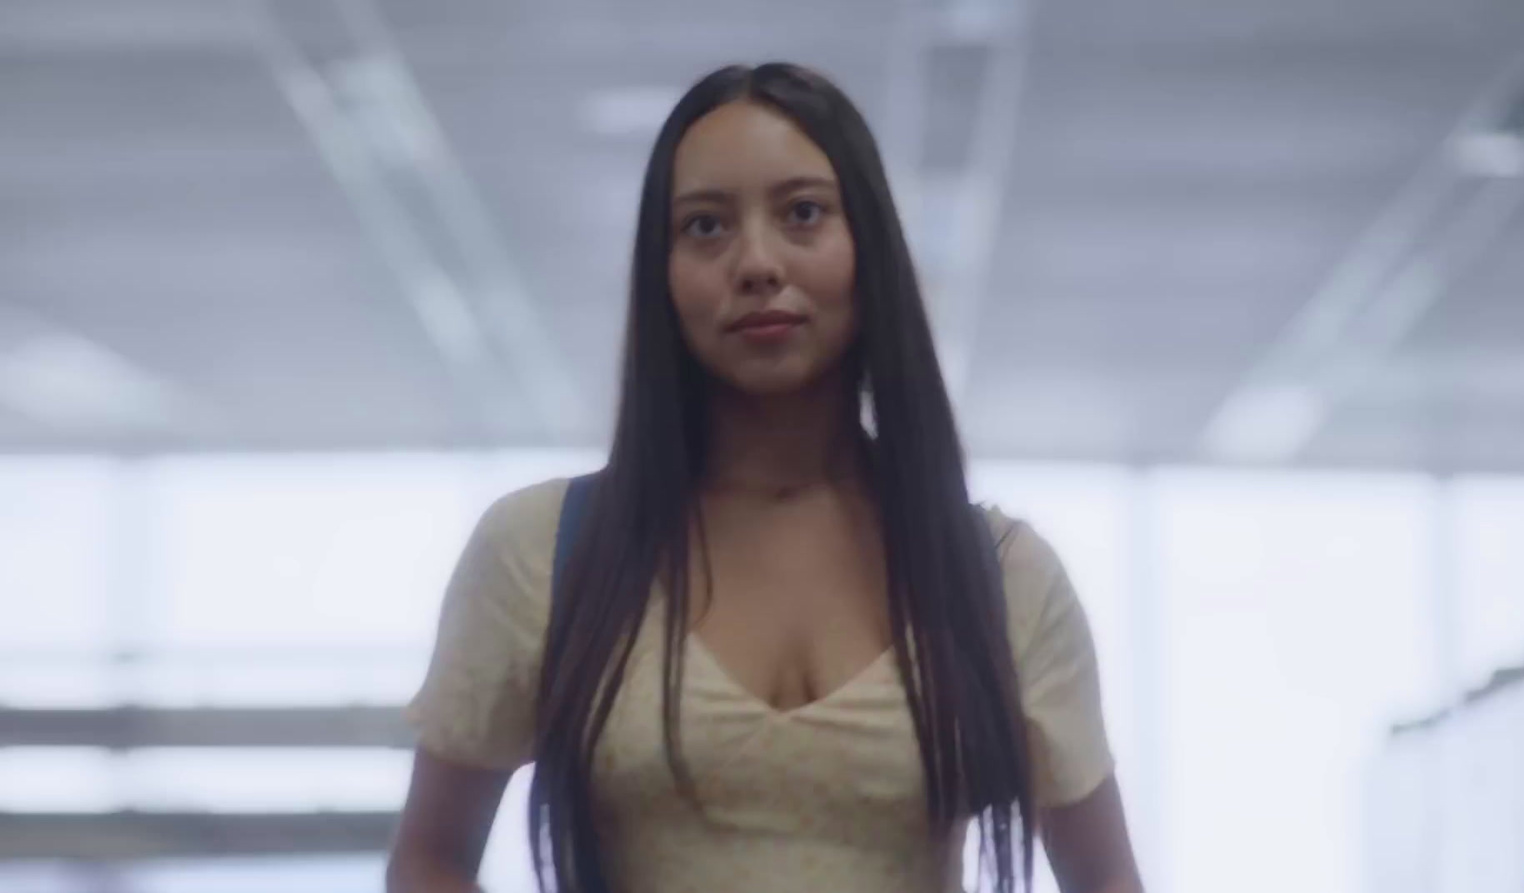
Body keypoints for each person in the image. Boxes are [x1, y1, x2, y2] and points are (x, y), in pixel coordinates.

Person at [387, 62, 1142, 893]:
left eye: (803, 214)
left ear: (868, 249)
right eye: (706, 226)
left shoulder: (1000, 575)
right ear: (663, 272)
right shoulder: (543, 551)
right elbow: (431, 859)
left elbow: (1107, 881)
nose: (756, 262)